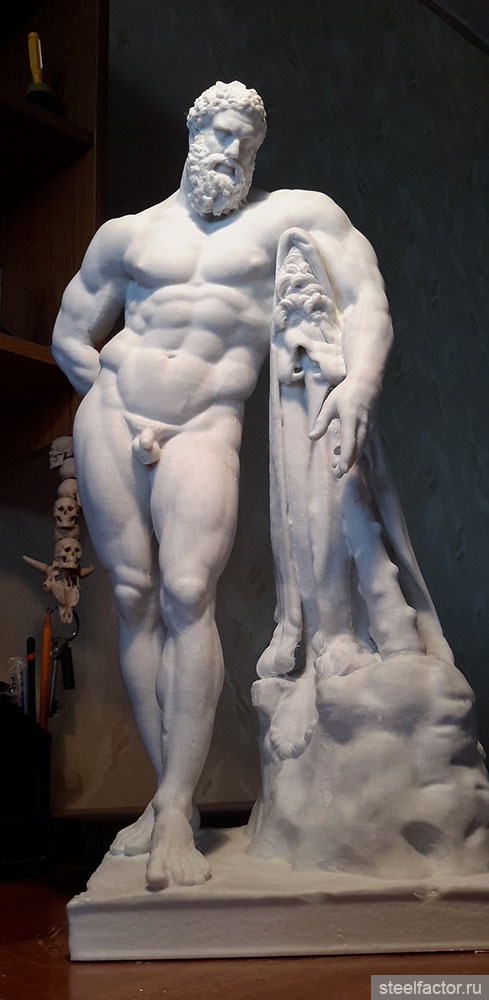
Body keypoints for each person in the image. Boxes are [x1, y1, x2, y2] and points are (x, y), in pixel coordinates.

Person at [52, 80, 396, 890]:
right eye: (219, 134)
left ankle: (177, 806)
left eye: (246, 141)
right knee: (132, 597)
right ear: (192, 133)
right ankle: (167, 794)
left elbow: (366, 299)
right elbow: (71, 332)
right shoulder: (128, 235)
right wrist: (114, 398)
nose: (231, 151)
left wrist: (360, 381)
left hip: (207, 423)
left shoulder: (293, 218)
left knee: (186, 592)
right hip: (112, 415)